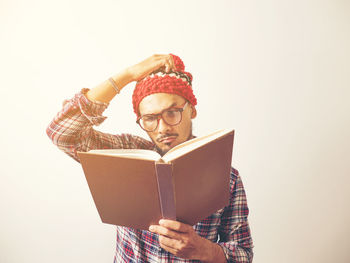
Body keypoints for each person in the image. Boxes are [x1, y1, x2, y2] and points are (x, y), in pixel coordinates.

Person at [46, 54, 254, 262]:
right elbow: (61, 133)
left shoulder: (226, 176)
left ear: (192, 110)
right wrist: (127, 75)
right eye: (150, 118)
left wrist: (204, 249)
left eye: (172, 112)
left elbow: (244, 254)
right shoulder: (127, 154)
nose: (163, 128)